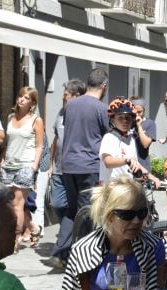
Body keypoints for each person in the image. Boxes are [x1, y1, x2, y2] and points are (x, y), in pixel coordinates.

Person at [51, 68, 110, 266]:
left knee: (71, 209)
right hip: (89, 164)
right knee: (88, 210)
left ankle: (60, 253)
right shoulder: (101, 108)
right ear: (104, 86)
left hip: (68, 165)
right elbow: (107, 134)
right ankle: (83, 256)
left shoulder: (71, 105)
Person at [2, 86, 45, 252]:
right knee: (9, 205)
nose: (21, 99)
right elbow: (9, 142)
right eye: (20, 96)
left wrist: (34, 166)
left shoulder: (36, 120)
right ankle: (34, 228)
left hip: (25, 165)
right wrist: (3, 159)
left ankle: (15, 240)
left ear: (32, 102)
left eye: (26, 98)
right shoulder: (10, 117)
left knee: (17, 205)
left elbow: (40, 145)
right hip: (8, 166)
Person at [50, 79, 86, 228]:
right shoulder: (61, 113)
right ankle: (68, 228)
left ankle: (72, 235)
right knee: (56, 204)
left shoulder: (84, 114)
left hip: (77, 169)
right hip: (59, 169)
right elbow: (56, 139)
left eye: (65, 94)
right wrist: (51, 164)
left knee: (78, 206)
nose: (63, 97)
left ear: (76, 96)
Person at [99, 97, 153, 184]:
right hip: (111, 188)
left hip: (127, 188)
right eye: (120, 118)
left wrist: (151, 177)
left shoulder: (131, 139)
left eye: (128, 118)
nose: (125, 121)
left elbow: (134, 163)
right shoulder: (109, 137)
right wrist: (126, 160)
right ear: (112, 120)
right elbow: (107, 162)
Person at [129, 97, 157, 171]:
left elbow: (145, 144)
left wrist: (139, 126)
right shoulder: (125, 123)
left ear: (144, 111)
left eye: (140, 112)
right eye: (135, 112)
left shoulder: (149, 123)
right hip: (128, 166)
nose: (137, 115)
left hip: (143, 165)